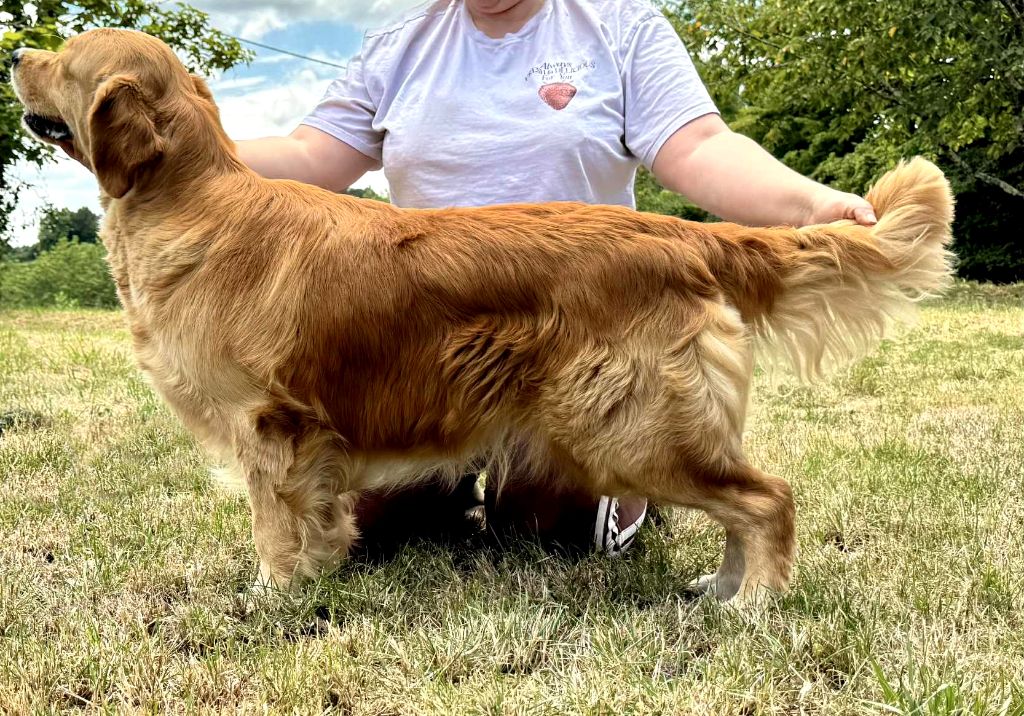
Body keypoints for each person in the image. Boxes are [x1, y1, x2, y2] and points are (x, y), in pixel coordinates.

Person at [235, 0, 877, 555]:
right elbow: (309, 155)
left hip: (578, 342)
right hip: (430, 354)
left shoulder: (619, 25)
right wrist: (194, 144)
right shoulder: (399, 43)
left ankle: (630, 474)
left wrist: (811, 205)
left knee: (546, 529)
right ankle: (449, 486)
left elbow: (699, 147)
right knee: (374, 533)